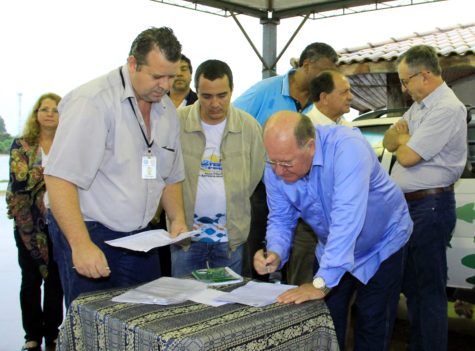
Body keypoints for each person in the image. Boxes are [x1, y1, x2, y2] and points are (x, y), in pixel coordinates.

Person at [44, 27, 188, 308]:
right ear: (133, 64)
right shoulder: (92, 102)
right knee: (94, 326)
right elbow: (59, 179)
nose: (165, 85)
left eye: (172, 76)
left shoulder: (167, 110)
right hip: (92, 233)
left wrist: (178, 218)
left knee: (145, 321)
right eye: (157, 76)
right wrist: (81, 245)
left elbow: (172, 175)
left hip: (143, 238)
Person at [254, 111, 413, 351]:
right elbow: (280, 217)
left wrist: (320, 284)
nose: (278, 171)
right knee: (325, 324)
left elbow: (346, 220)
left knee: (371, 323)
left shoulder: (348, 149)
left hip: (382, 243)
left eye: (286, 163)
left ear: (310, 146)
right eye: (273, 162)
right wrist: (275, 252)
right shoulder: (277, 163)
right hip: (331, 249)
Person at [383, 45, 467, 351]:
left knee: (429, 291)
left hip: (430, 207)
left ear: (425, 75)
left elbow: (405, 156)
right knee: (414, 289)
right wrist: (401, 140)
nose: (404, 88)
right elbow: (388, 139)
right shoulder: (419, 107)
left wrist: (403, 141)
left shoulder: (446, 107)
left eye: (406, 81)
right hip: (410, 207)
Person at [234, 42, 339, 284]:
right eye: (324, 71)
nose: (327, 78)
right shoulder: (265, 90)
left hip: (305, 189)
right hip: (264, 188)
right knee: (260, 256)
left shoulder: (319, 103)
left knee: (295, 257)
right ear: (306, 65)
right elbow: (233, 119)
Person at [170, 59, 265, 276]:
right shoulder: (176, 123)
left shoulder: (249, 127)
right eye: (207, 96)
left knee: (229, 304)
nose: (215, 103)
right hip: (185, 238)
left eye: (222, 95)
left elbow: (253, 176)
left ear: (232, 90)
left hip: (230, 240)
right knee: (184, 304)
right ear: (197, 91)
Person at [6, 93, 64, 351]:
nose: (50, 113)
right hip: (28, 225)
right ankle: (32, 335)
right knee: (30, 280)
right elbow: (20, 182)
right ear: (36, 114)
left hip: (61, 221)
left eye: (56, 109)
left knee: (55, 280)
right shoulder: (22, 144)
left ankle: (52, 333)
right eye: (45, 109)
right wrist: (48, 170)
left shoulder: (67, 144)